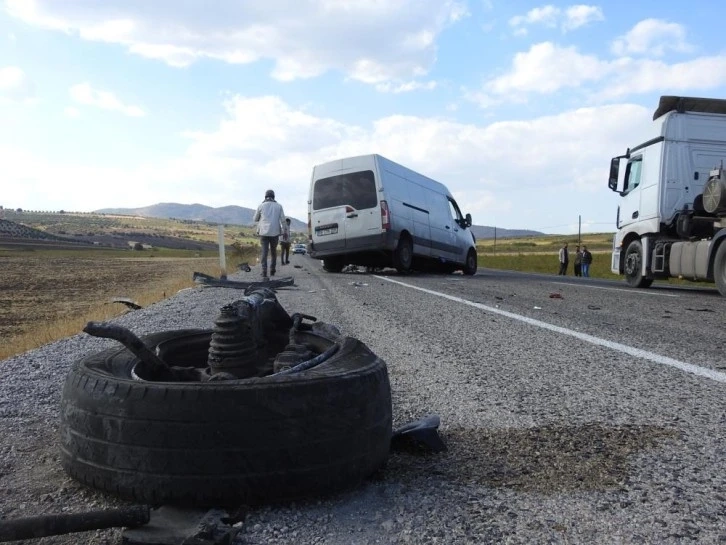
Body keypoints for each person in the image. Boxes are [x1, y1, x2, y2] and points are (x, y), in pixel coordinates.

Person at [253, 189, 286, 279]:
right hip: (275, 232)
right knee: (273, 251)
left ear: (265, 196)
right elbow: (283, 220)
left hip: (263, 232)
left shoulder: (261, 206)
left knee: (264, 251)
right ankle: (272, 270)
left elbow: (255, 219)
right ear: (274, 197)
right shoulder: (279, 206)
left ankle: (264, 271)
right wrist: (285, 231)